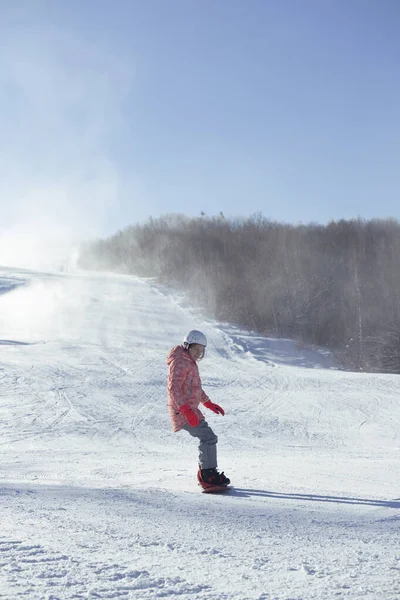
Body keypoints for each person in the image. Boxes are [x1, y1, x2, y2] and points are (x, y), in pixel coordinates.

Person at [167, 330, 230, 487]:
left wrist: (208, 403)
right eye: (195, 350)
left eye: (201, 351)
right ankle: (208, 474)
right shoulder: (180, 362)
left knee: (209, 437)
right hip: (183, 411)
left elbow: (195, 388)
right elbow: (173, 387)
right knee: (208, 437)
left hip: (190, 410)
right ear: (187, 345)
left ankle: (208, 472)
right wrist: (186, 410)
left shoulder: (189, 362)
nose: (198, 354)